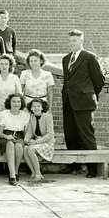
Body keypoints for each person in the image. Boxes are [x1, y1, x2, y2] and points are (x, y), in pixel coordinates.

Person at [61, 29, 105, 177]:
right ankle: (74, 165)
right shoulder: (66, 59)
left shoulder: (90, 57)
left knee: (86, 134)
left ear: (81, 41)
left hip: (84, 102)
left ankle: (92, 169)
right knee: (70, 134)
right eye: (70, 41)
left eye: (75, 41)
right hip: (68, 101)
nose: (71, 43)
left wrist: (90, 94)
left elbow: (99, 80)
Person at [0, 93, 30, 185]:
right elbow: (0, 133)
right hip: (5, 136)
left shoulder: (25, 115)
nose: (16, 104)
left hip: (19, 136)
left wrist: (27, 140)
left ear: (21, 103)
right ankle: (12, 176)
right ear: (9, 102)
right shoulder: (3, 114)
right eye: (14, 101)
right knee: (10, 144)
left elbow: (26, 132)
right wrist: (7, 137)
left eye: (18, 102)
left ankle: (16, 171)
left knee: (19, 146)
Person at [24, 98, 55, 182]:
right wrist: (26, 140)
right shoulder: (32, 117)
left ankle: (38, 174)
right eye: (34, 106)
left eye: (38, 106)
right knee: (25, 148)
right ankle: (34, 172)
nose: (36, 108)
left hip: (47, 143)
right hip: (37, 143)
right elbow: (29, 132)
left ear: (42, 108)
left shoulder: (48, 117)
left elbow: (50, 134)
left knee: (31, 149)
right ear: (31, 108)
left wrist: (36, 142)